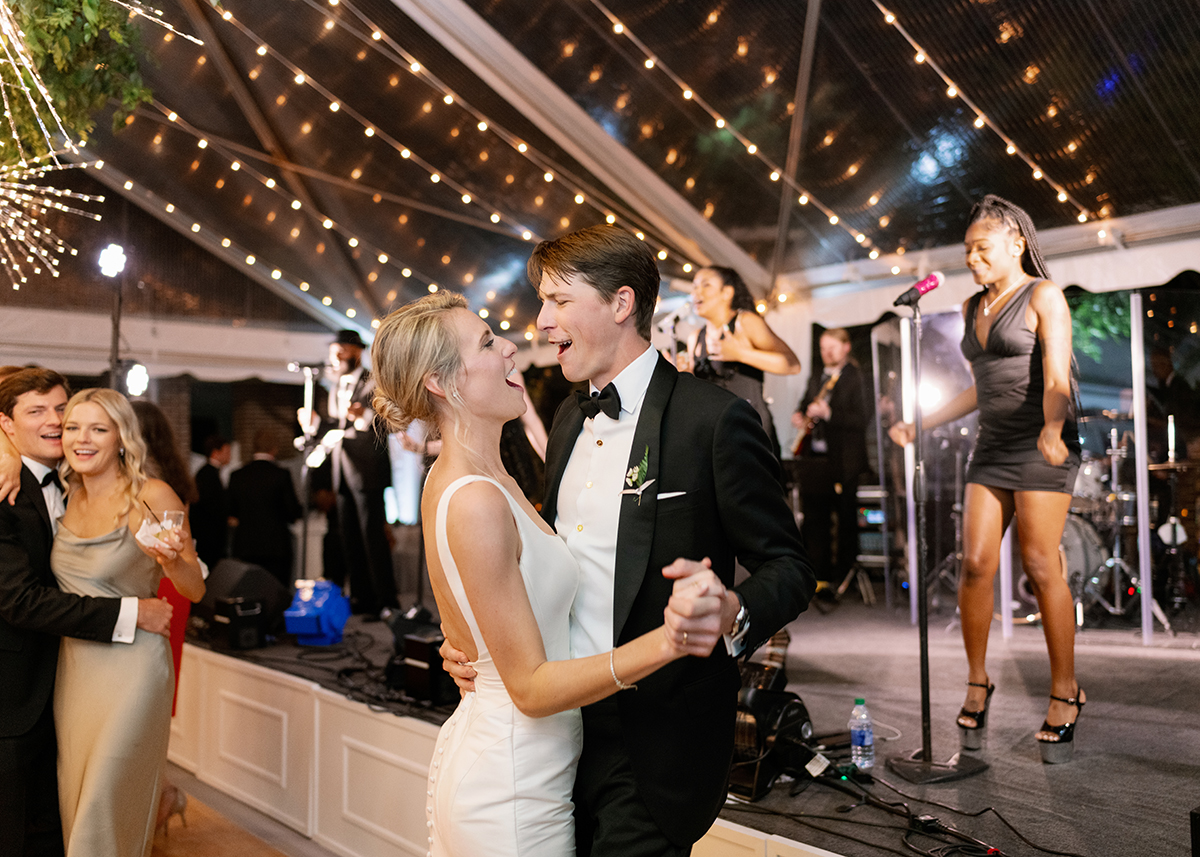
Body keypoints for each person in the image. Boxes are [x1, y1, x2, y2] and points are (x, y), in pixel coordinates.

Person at [443, 225, 816, 856]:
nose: (541, 322)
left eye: (558, 300)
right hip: (555, 725)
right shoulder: (567, 418)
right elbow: (549, 561)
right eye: (542, 302)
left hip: (655, 741)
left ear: (621, 303)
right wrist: (477, 642)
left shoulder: (714, 420)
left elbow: (790, 565)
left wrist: (732, 610)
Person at [372, 291, 725, 856]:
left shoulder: (481, 476)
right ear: (441, 382)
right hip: (512, 788)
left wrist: (468, 646)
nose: (511, 347)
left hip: (534, 770)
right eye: (487, 342)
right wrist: (669, 641)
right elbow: (532, 690)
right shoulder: (475, 498)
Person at [889, 194, 1085, 763]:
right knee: (974, 563)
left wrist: (1053, 428)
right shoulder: (973, 304)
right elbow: (981, 386)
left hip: (1041, 442)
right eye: (967, 250)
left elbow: (1056, 375)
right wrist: (921, 423)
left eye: (982, 248)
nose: (972, 258)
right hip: (992, 448)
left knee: (1041, 564)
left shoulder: (1043, 296)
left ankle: (1066, 690)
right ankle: (978, 680)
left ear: (1016, 243)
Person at [0, 370, 173, 857]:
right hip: (16, 692)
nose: (55, 422)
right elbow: (18, 601)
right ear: (7, 425)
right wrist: (131, 613)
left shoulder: (73, 481)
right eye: (37, 411)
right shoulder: (3, 487)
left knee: (68, 820)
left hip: (76, 679)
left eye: (62, 409)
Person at [53, 388, 205, 855]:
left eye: (98, 429)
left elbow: (194, 588)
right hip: (74, 669)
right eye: (73, 427)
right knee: (75, 798)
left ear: (121, 437)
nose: (82, 439)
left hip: (134, 669)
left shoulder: (150, 495)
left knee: (104, 797)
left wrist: (172, 560)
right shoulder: (62, 495)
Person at [130, 400, 199, 835]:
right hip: (167, 584)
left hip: (161, 583)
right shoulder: (173, 474)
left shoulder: (151, 485)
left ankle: (160, 795)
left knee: (149, 694)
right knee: (153, 696)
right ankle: (161, 793)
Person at [308, 329, 397, 619]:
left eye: (339, 353)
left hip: (368, 469)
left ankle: (386, 601)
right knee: (349, 536)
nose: (334, 359)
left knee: (373, 537)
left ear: (355, 352)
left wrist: (364, 417)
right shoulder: (335, 386)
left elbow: (389, 421)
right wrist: (316, 424)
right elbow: (337, 426)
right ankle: (361, 598)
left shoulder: (375, 381)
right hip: (342, 468)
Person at [681, 265, 800, 457]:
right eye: (694, 287)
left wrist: (741, 354)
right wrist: (684, 377)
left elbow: (792, 365)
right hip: (714, 432)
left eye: (706, 285)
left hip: (751, 430)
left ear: (727, 292)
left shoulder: (745, 322)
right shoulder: (695, 338)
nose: (696, 292)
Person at [791, 328, 870, 604]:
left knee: (845, 518)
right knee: (815, 519)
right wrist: (800, 416)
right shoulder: (818, 377)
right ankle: (818, 577)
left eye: (832, 347)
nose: (827, 353)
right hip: (816, 459)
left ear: (846, 347)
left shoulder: (856, 377)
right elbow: (804, 404)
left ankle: (844, 577)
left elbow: (863, 418)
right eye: (824, 348)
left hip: (845, 461)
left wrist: (830, 413)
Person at [227, 429, 303, 586]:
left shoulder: (237, 475)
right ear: (274, 449)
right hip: (276, 546)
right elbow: (292, 511)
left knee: (249, 591)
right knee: (276, 591)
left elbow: (231, 511)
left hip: (245, 546)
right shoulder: (281, 474)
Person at [190, 435, 230, 569]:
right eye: (227, 451)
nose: (229, 456)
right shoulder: (208, 474)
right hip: (208, 537)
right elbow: (210, 505)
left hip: (210, 535)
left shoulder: (210, 472)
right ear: (215, 453)